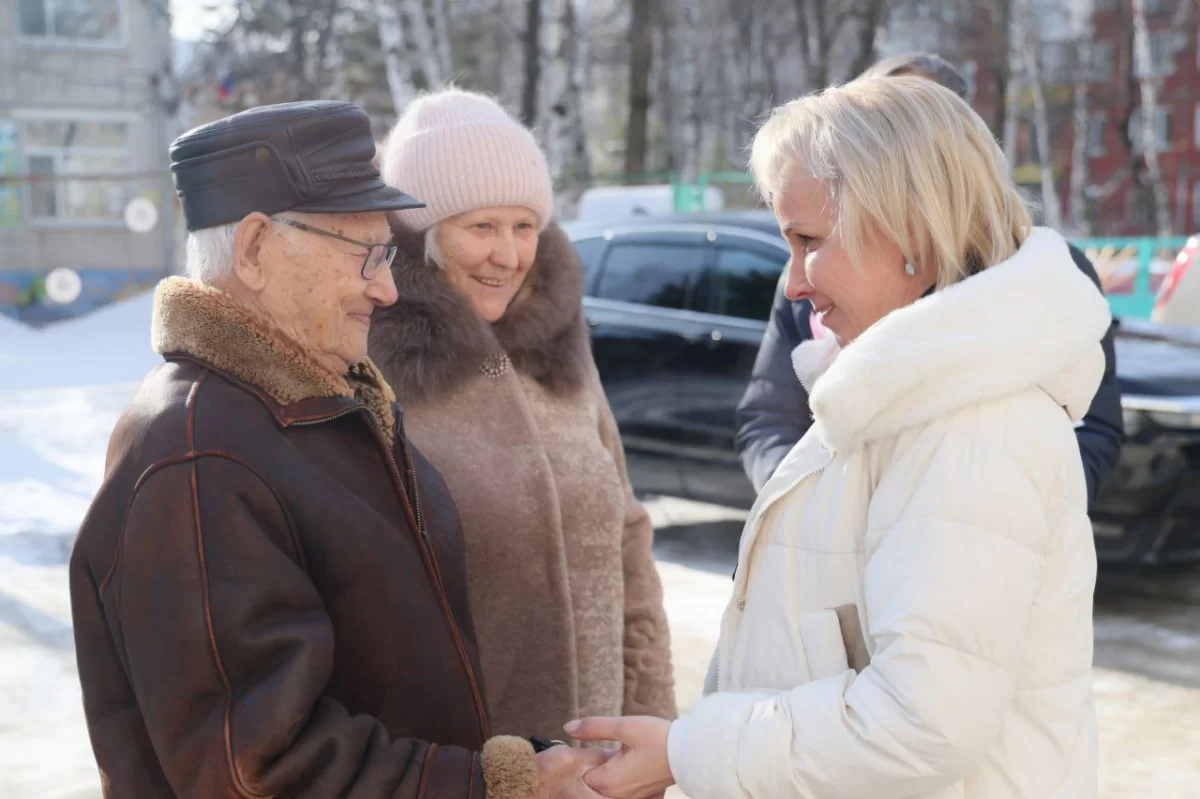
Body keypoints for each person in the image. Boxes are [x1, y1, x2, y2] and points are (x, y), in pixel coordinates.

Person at [567, 77, 1105, 798]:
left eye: (808, 242)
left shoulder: (971, 424)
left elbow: (919, 724)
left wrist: (688, 750)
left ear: (909, 228)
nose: (792, 284)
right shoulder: (906, 399)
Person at [69, 101, 607, 798]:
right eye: (364, 254)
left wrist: (528, 761)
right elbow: (263, 770)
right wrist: (497, 784)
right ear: (256, 248)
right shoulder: (200, 455)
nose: (385, 288)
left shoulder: (309, 405)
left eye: (387, 252)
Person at [369, 88, 677, 743]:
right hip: (466, 770)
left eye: (523, 226)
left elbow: (628, 535)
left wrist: (650, 723)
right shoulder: (377, 372)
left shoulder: (563, 352)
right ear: (422, 236)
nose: (507, 255)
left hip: (600, 769)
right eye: (481, 226)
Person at [735, 52, 1124, 505]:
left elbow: (1090, 429)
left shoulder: (1043, 281)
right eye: (882, 127)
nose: (798, 282)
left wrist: (1037, 506)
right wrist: (808, 511)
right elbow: (769, 416)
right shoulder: (809, 276)